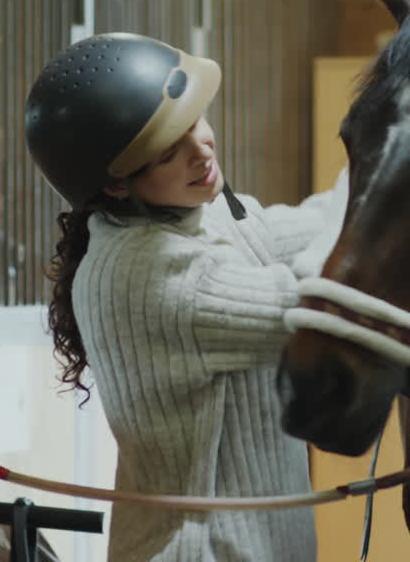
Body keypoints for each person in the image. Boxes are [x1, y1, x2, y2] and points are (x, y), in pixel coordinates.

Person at [24, 32, 346, 561]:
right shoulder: (145, 271)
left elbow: (318, 223)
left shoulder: (200, 216)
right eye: (170, 153)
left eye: (196, 122)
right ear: (115, 186)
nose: (202, 149)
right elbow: (320, 307)